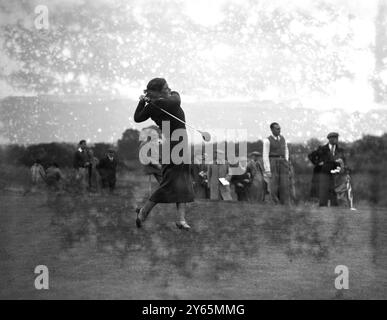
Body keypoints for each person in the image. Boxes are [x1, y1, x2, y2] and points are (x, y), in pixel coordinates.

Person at [133, 78, 195, 230]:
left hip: (179, 143)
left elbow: (138, 117)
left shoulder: (153, 105)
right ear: (160, 91)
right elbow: (177, 98)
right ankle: (143, 212)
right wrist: (169, 94)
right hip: (174, 144)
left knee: (183, 182)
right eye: (166, 87)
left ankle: (181, 220)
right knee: (170, 183)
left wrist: (142, 102)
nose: (170, 89)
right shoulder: (164, 103)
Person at [310, 132, 346, 207]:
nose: (336, 139)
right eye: (334, 138)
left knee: (334, 189)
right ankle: (323, 206)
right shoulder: (322, 149)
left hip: (336, 172)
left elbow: (344, 161)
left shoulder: (340, 150)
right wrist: (318, 163)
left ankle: (334, 206)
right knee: (323, 189)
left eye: (337, 138)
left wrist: (342, 167)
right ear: (329, 139)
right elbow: (311, 156)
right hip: (324, 171)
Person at [262, 122, 290, 205]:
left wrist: (286, 160)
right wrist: (267, 169)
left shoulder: (283, 138)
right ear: (272, 129)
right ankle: (275, 202)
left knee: (284, 183)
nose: (279, 130)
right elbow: (265, 155)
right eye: (277, 129)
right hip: (273, 161)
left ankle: (284, 203)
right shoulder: (267, 140)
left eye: (280, 128)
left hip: (283, 162)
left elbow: (286, 150)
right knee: (274, 184)